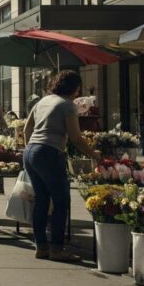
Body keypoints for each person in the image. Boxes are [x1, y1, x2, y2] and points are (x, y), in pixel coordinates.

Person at [22, 71, 101, 263]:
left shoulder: (43, 101)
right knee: (61, 202)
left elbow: (26, 129)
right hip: (50, 152)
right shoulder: (68, 106)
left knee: (41, 200)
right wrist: (94, 154)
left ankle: (41, 246)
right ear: (75, 88)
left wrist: (31, 149)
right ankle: (57, 249)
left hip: (30, 151)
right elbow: (76, 138)